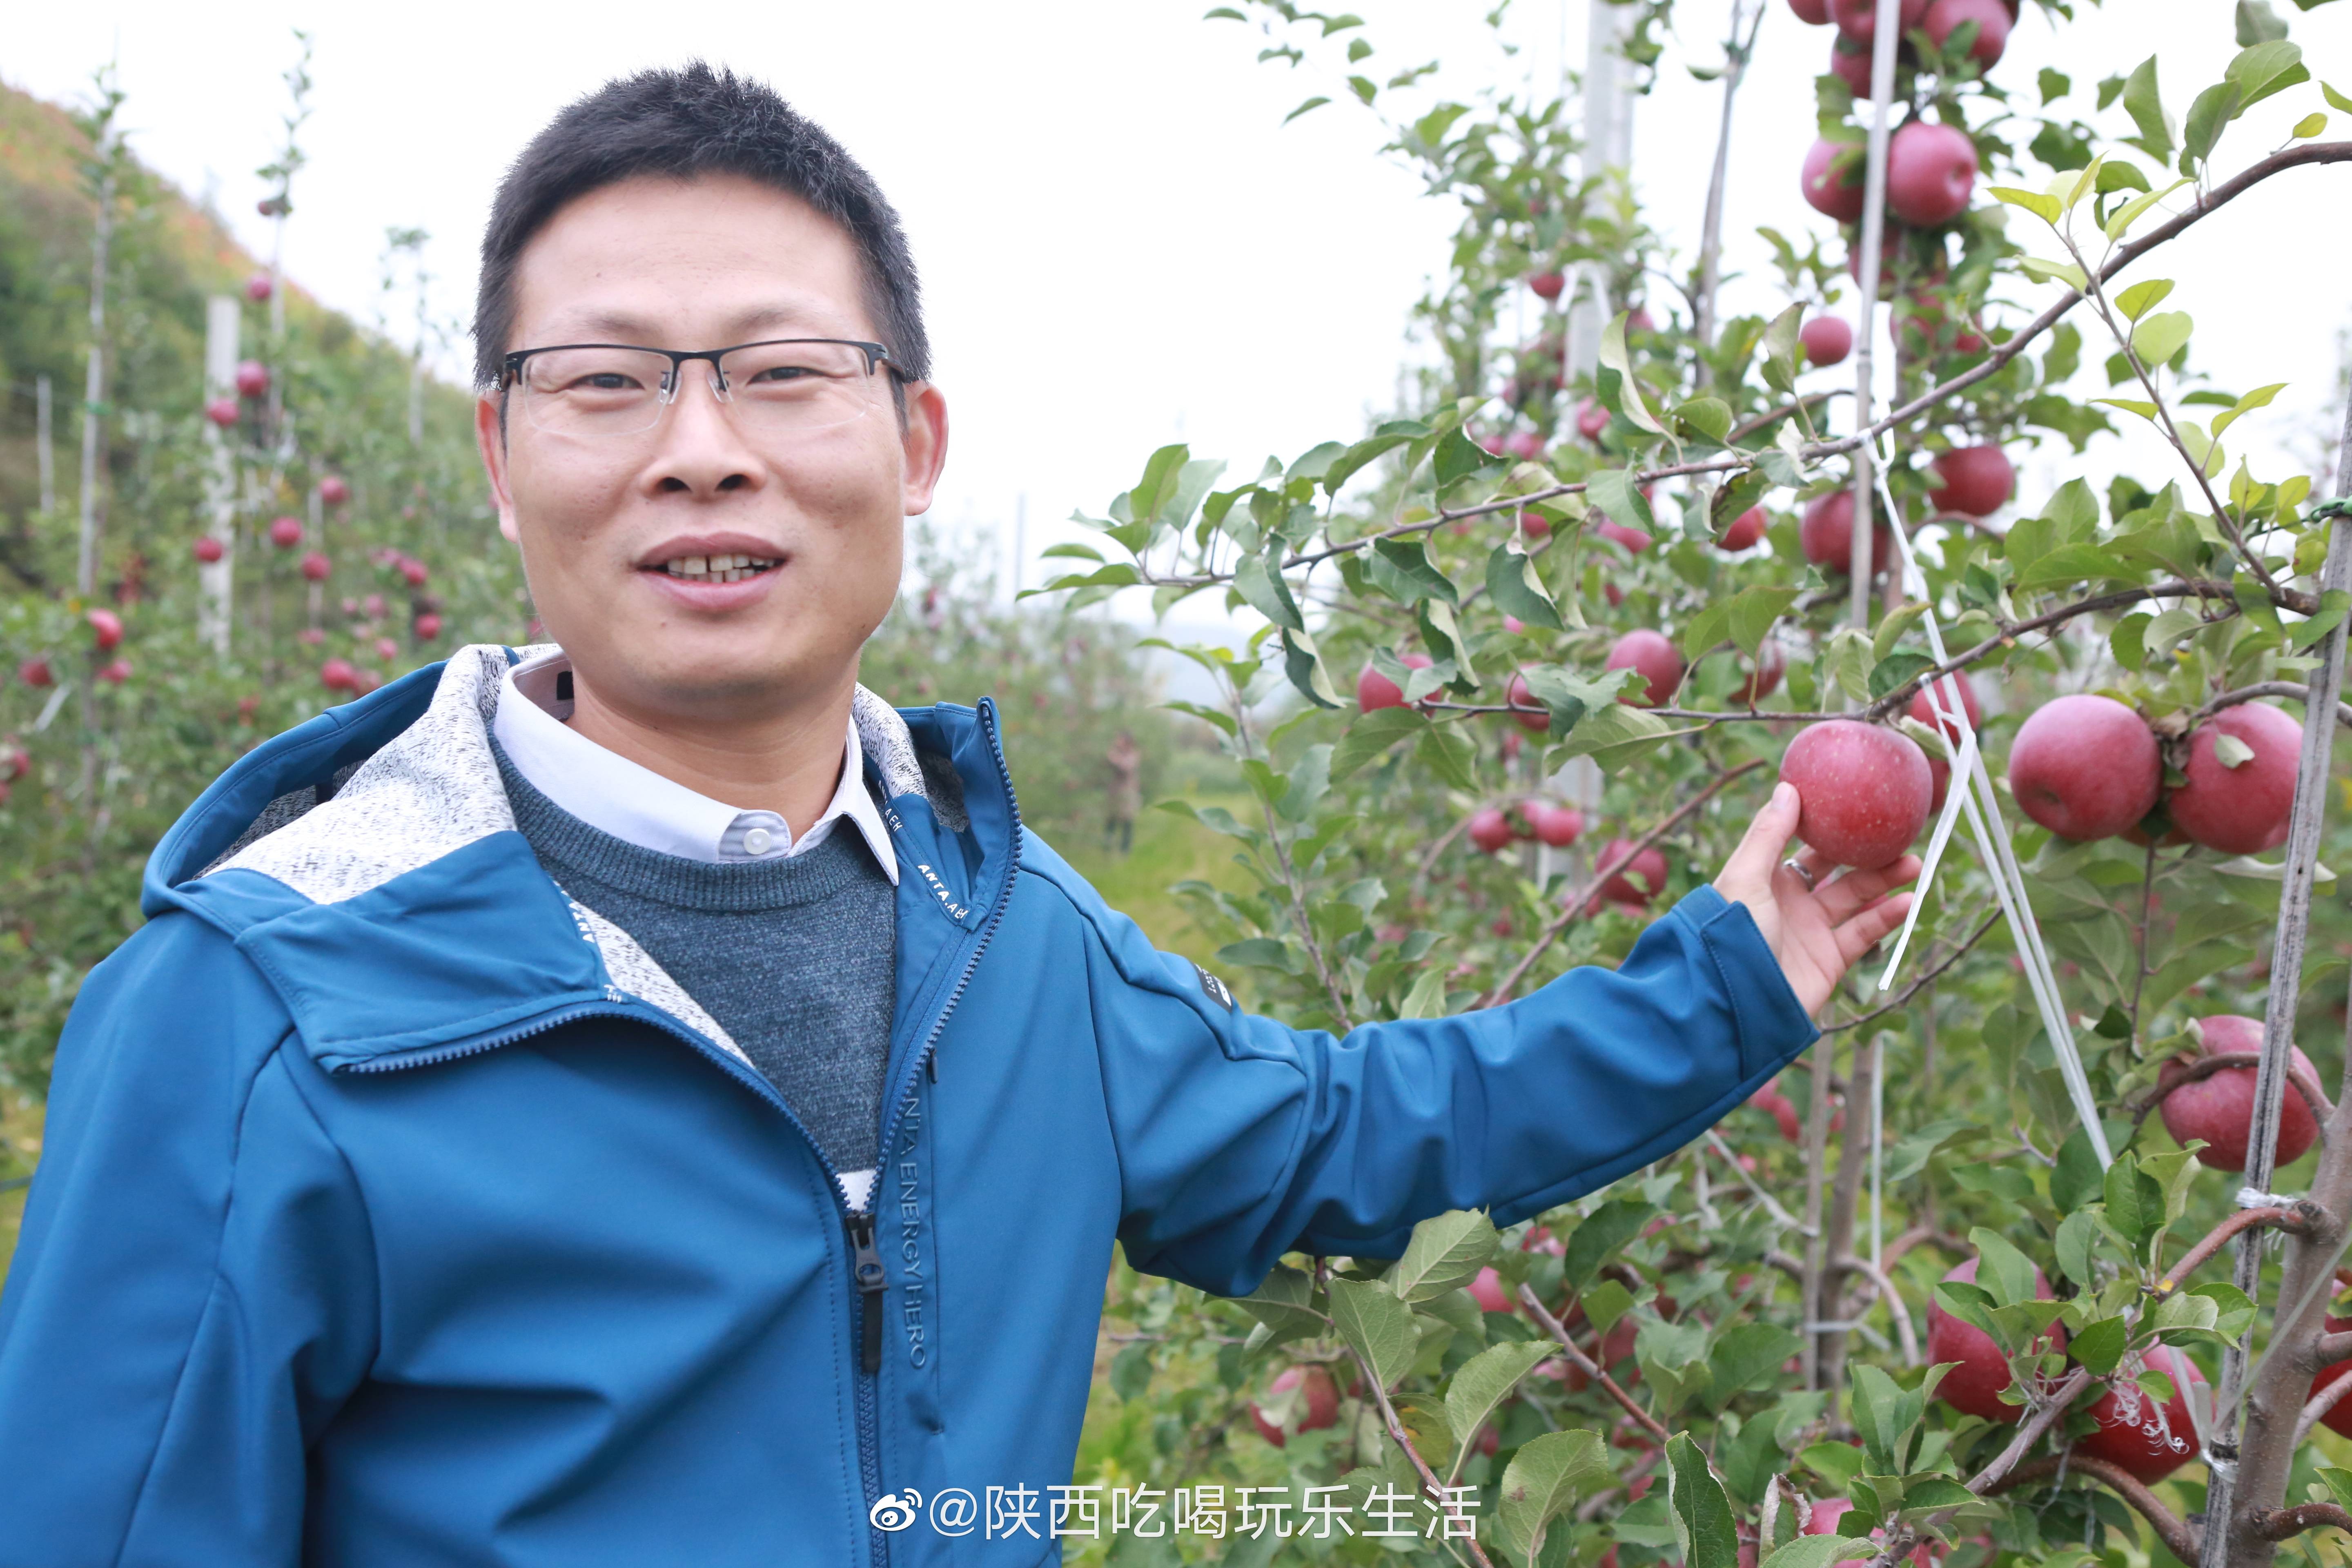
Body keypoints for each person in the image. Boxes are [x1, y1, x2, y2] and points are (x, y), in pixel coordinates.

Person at [0, 64, 1915, 1568]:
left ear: (914, 444)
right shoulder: (269, 1014)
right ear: (502, 457)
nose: (700, 445)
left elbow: (1339, 1130)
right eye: (603, 384)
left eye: (780, 371)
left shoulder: (1007, 936)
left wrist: (1734, 976)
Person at [1104, 729, 1143, 855]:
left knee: (1127, 821)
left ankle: (1125, 850)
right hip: (1115, 792)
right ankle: (1107, 846)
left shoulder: (1133, 755)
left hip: (1128, 794)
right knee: (1111, 819)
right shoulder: (1116, 753)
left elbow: (1125, 768)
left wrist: (1114, 759)